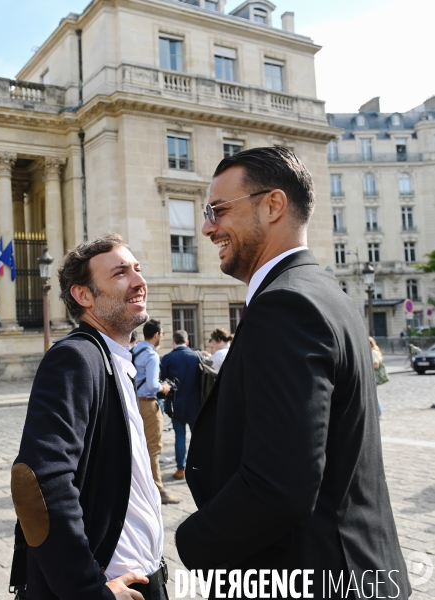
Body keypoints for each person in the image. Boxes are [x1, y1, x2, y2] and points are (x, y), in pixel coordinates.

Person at [175, 147, 411, 599]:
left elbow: (279, 485)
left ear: (274, 205)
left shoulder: (285, 305)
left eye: (218, 211)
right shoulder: (326, 292)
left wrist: (191, 543)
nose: (206, 227)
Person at [11, 234, 169, 600]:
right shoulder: (77, 357)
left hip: (143, 577)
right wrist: (89, 591)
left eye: (138, 269)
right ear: (84, 295)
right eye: (120, 273)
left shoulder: (117, 359)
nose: (138, 281)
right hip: (112, 585)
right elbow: (37, 481)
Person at [132, 319, 180, 505]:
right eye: (163, 333)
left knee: (140, 448)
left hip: (135, 403)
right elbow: (152, 385)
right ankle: (158, 490)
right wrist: (164, 387)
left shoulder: (135, 349)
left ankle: (141, 489)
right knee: (154, 449)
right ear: (157, 334)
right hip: (148, 404)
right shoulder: (151, 355)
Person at [160, 330, 202, 480]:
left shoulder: (168, 358)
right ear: (187, 342)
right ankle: (200, 466)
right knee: (197, 437)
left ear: (173, 342)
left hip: (176, 404)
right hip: (195, 404)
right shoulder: (197, 356)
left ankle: (181, 469)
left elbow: (162, 381)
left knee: (180, 436)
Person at [370, 336, 386, 416]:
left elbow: (376, 365)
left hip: (374, 376)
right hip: (373, 376)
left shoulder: (373, 352)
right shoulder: (374, 351)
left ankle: (379, 411)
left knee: (373, 394)